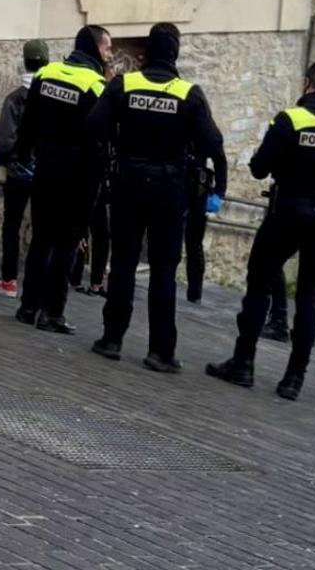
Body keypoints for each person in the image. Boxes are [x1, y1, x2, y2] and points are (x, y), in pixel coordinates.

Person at [206, 60, 315, 400]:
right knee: (310, 295)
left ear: (307, 85)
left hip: (287, 212)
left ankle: (243, 364)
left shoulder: (289, 120)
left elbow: (260, 168)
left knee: (260, 283)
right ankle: (293, 379)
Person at [90, 23, 227, 372]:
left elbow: (93, 126)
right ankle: (161, 351)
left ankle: (111, 339)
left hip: (128, 182)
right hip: (170, 190)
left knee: (123, 261)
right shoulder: (189, 94)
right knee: (164, 269)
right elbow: (213, 143)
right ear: (176, 53)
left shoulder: (124, 84)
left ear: (146, 52)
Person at [14, 25, 112, 333]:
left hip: (46, 165)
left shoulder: (46, 74)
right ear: (95, 49)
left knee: (41, 238)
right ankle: (52, 312)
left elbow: (28, 123)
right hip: (79, 174)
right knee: (67, 242)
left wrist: (25, 154)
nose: (110, 55)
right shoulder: (97, 86)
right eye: (108, 49)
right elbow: (104, 136)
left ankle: (28, 306)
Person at [0, 39, 50, 298]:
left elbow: (4, 139)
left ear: (24, 62)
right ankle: (39, 283)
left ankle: (9, 279)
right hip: (46, 171)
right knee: (43, 227)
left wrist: (10, 159)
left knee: (12, 225)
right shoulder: (52, 97)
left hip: (17, 170)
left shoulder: (15, 99)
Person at [184, 147, 227, 304]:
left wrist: (219, 192)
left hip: (197, 190)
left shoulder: (201, 124)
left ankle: (194, 293)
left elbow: (220, 157)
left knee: (193, 244)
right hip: (174, 182)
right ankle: (165, 283)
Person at [69, 186, 109, 296]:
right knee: (81, 235)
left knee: (102, 236)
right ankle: (75, 279)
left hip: (99, 189)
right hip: (84, 187)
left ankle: (96, 282)